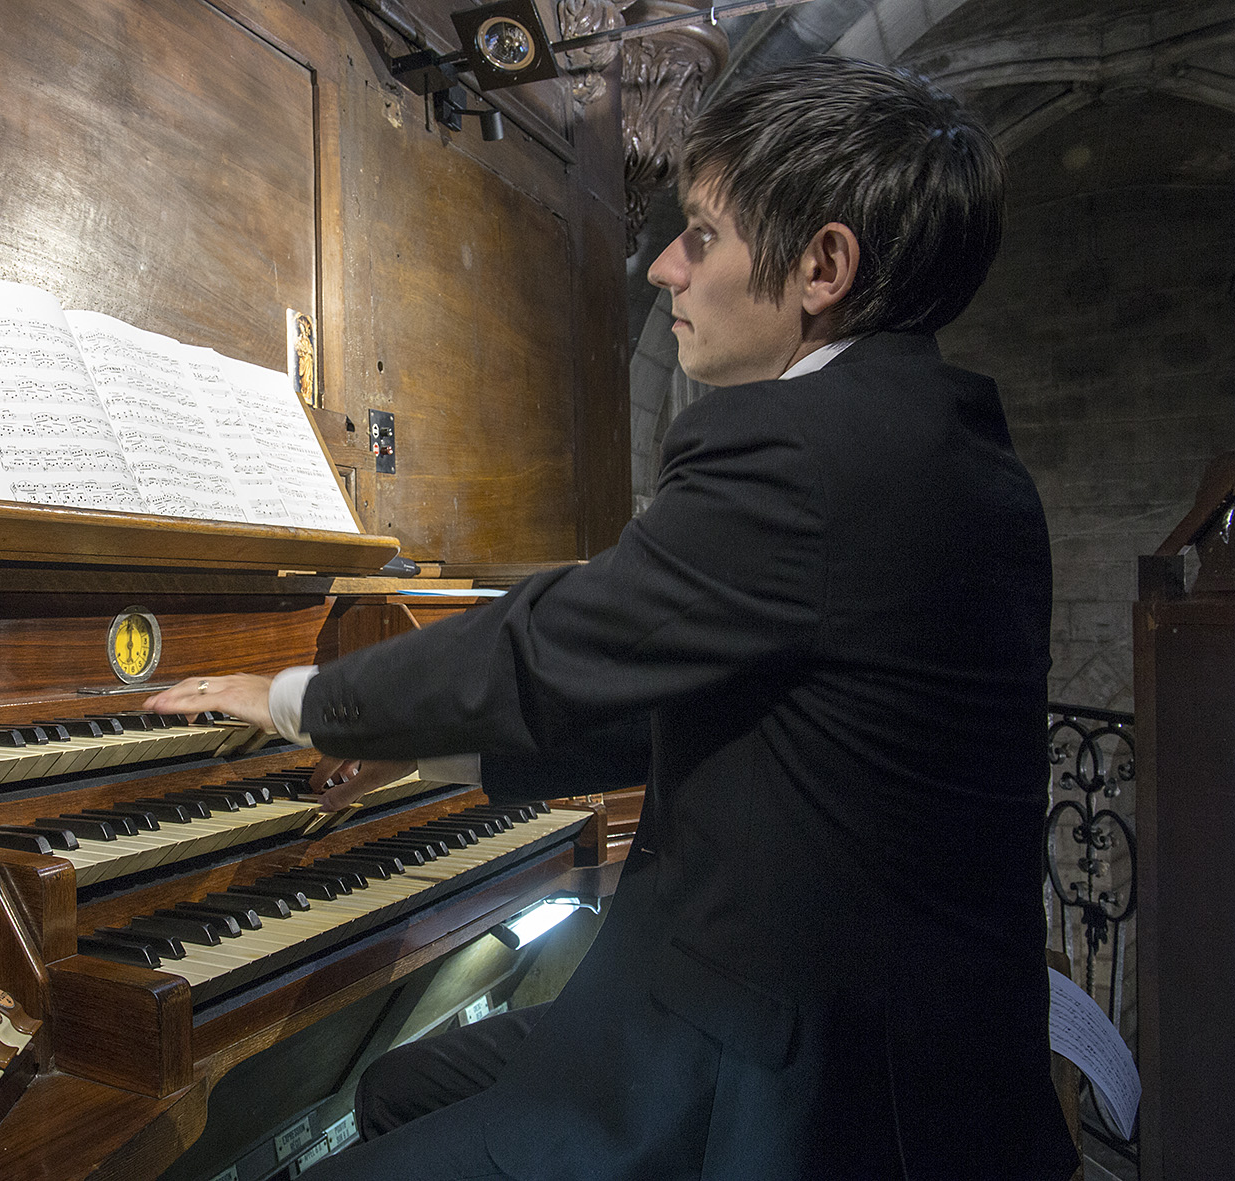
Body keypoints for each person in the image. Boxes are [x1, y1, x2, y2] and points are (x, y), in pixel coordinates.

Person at [147, 56, 1077, 1181]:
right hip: (904, 1059)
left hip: (787, 1095)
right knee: (393, 1082)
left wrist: (298, 699)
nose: (660, 265)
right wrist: (421, 752)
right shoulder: (956, 450)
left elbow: (546, 648)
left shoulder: (803, 447)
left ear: (823, 265)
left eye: (700, 233)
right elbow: (694, 718)